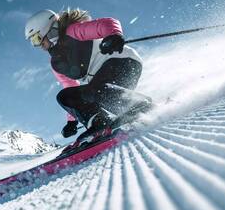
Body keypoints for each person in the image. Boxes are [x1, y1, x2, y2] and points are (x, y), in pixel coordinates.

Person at [24, 8, 151, 139]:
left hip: (123, 62)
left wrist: (114, 35)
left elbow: (106, 23)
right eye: (33, 42)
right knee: (64, 96)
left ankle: (139, 106)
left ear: (48, 30)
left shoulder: (72, 32)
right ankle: (98, 122)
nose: (38, 45)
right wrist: (72, 121)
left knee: (95, 90)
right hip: (101, 85)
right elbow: (70, 88)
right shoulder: (56, 63)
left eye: (36, 39)